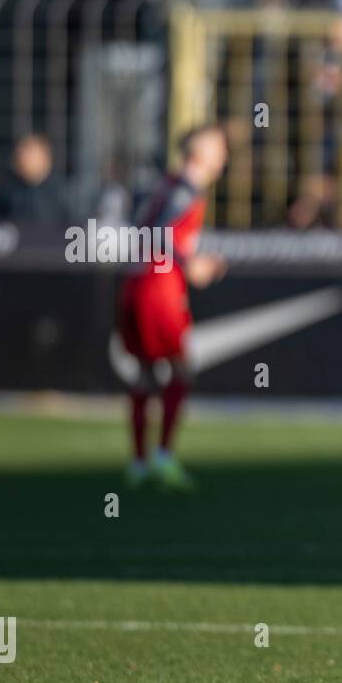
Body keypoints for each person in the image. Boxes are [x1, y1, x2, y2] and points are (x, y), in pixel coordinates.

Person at [116, 124, 229, 491]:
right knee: (180, 369)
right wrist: (188, 263)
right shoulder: (187, 189)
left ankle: (139, 462)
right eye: (217, 146)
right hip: (158, 284)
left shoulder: (167, 184)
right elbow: (159, 235)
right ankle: (163, 457)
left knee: (147, 373)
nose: (223, 153)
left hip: (136, 281)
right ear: (198, 153)